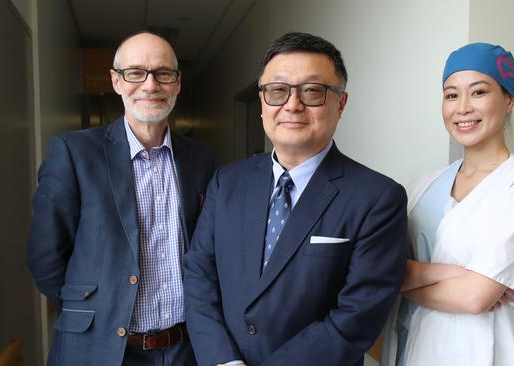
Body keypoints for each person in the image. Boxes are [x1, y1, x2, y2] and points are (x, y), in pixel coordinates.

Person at [183, 32, 408, 366]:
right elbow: (199, 275)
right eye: (277, 91)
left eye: (312, 91)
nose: (292, 104)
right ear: (262, 103)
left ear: (341, 103)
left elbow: (356, 317)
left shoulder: (377, 198)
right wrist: (223, 360)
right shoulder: (227, 182)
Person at [27, 31, 216, 366]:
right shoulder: (74, 152)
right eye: (135, 73)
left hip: (185, 350)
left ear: (177, 83)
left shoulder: (201, 159)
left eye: (163, 73)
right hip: (100, 350)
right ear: (116, 81)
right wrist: (91, 309)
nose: (150, 85)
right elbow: (46, 257)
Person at [381, 43, 514, 366]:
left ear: (508, 100)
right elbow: (381, 268)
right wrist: (451, 274)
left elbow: (474, 297)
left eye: (478, 92)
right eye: (451, 95)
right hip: (411, 350)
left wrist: (400, 284)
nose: (462, 107)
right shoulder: (426, 185)